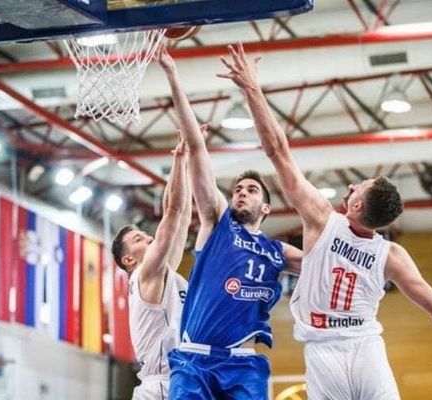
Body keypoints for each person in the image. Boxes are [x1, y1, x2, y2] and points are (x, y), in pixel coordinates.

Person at [218, 42, 432, 399]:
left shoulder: (321, 219)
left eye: (357, 186)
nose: (350, 186)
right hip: (366, 349)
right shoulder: (391, 255)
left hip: (323, 352)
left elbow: (277, 151)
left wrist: (252, 89)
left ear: (358, 203)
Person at [156, 45, 303, 399]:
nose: (241, 193)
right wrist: (173, 76)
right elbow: (197, 148)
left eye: (251, 190)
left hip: (243, 363)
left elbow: (323, 261)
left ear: (266, 208)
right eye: (238, 189)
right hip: (194, 359)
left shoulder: (277, 251)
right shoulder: (218, 224)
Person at [111, 134, 191, 400]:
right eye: (138, 239)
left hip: (177, 381)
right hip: (161, 387)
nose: (148, 237)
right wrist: (180, 158)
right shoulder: (145, 274)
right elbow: (173, 210)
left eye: (145, 234)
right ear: (129, 260)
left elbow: (183, 216)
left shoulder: (164, 274)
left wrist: (189, 163)